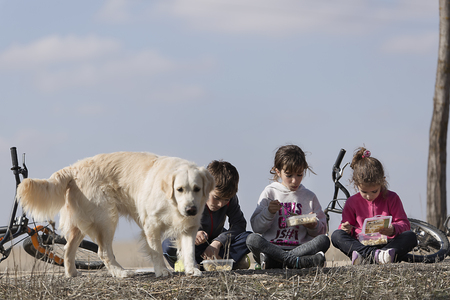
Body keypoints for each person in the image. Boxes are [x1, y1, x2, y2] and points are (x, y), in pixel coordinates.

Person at [246, 145, 330, 269]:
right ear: (278, 171)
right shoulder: (270, 192)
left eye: (299, 174)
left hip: (300, 248)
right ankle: (297, 262)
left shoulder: (309, 196)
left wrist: (313, 225)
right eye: (289, 175)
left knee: (324, 240)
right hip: (272, 248)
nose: (295, 181)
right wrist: (268, 212)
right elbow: (256, 227)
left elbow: (322, 231)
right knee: (251, 239)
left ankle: (278, 262)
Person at [330, 147, 417, 265]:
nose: (369, 196)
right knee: (336, 235)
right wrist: (345, 228)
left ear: (382, 182)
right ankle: (376, 256)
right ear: (356, 184)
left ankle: (369, 258)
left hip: (388, 244)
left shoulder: (392, 198)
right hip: (362, 245)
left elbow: (404, 224)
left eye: (374, 191)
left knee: (411, 236)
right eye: (364, 192)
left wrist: (393, 229)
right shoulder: (352, 202)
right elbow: (346, 226)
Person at [162, 160, 252, 270]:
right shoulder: (191, 197)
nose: (221, 204)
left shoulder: (231, 198)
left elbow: (239, 224)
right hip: (193, 245)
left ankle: (214, 262)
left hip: (217, 244)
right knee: (168, 245)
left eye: (226, 200)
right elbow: (172, 224)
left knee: (249, 237)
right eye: (216, 198)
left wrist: (218, 243)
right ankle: (191, 262)